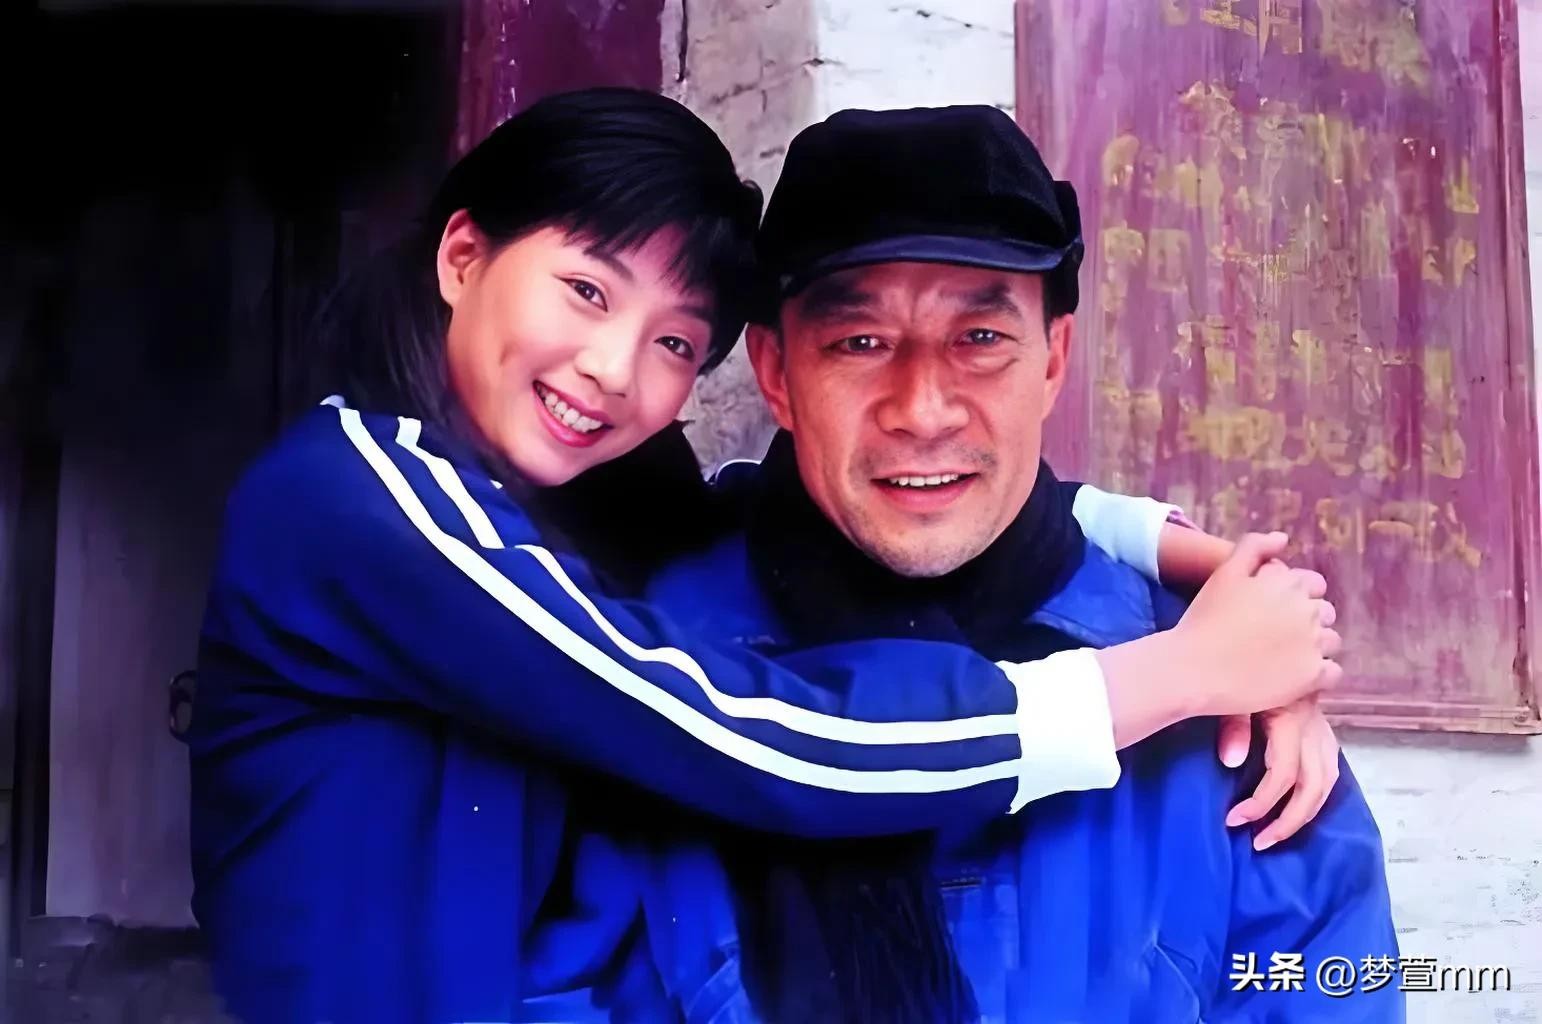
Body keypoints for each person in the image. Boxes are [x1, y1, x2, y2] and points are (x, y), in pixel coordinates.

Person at [183, 89, 1341, 1024]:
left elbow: (932, 496)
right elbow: (747, 737)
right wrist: (1178, 673)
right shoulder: (362, 497)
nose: (612, 368)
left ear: (1053, 359)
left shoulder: (582, 522)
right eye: (585, 290)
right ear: (461, 255)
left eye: (674, 342)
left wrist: (1213, 581)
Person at [611, 105, 1400, 1023]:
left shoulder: (1230, 714)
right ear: (778, 373)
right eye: (860, 342)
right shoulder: (645, 671)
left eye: (979, 339)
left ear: (1054, 358)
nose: (923, 409)